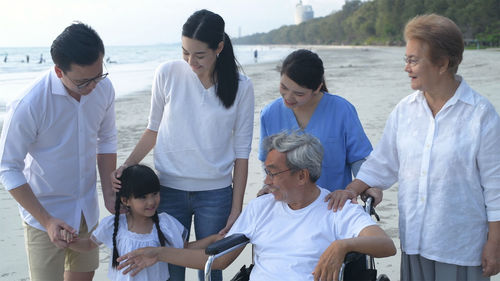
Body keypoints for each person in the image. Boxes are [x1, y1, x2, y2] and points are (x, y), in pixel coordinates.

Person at [328, 14, 500, 281]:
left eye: (413, 60)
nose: (406, 67)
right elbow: (383, 163)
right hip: (415, 243)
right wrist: (351, 189)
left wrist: (495, 242)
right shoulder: (405, 110)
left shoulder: (480, 115)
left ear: (442, 63)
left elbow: (496, 186)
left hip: (460, 247)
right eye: (405, 59)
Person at [115, 132, 396, 281]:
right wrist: (159, 253)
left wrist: (341, 246)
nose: (266, 181)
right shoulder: (261, 208)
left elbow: (385, 245)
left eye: (273, 173)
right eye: (266, 171)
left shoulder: (335, 208)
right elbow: (218, 259)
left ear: (302, 175)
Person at [111, 9, 254, 281]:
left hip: (216, 193)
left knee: (212, 269)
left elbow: (242, 154)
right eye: (185, 52)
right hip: (167, 192)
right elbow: (152, 130)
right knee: (169, 270)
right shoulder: (166, 73)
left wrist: (236, 210)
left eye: (199, 55)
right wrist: (127, 166)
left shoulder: (242, 87)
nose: (190, 61)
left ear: (219, 48)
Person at [0, 22, 117, 281]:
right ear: (58, 71)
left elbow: (106, 140)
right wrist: (47, 220)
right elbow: (8, 167)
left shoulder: (103, 89)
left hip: (87, 209)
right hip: (43, 213)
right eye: (82, 82)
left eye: (98, 75)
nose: (92, 87)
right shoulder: (29, 103)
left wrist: (109, 193)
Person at [259, 49, 372, 192]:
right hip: (287, 206)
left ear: (317, 88)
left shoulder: (342, 110)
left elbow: (359, 158)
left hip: (333, 205)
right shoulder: (269, 114)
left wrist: (363, 187)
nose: (288, 97)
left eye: (299, 93)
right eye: (284, 87)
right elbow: (267, 162)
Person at [61, 165, 186, 281]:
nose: (151, 202)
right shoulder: (113, 224)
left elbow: (185, 249)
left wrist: (206, 242)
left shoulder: (165, 223)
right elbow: (88, 245)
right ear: (125, 200)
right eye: (143, 197)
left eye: (154, 194)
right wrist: (67, 239)